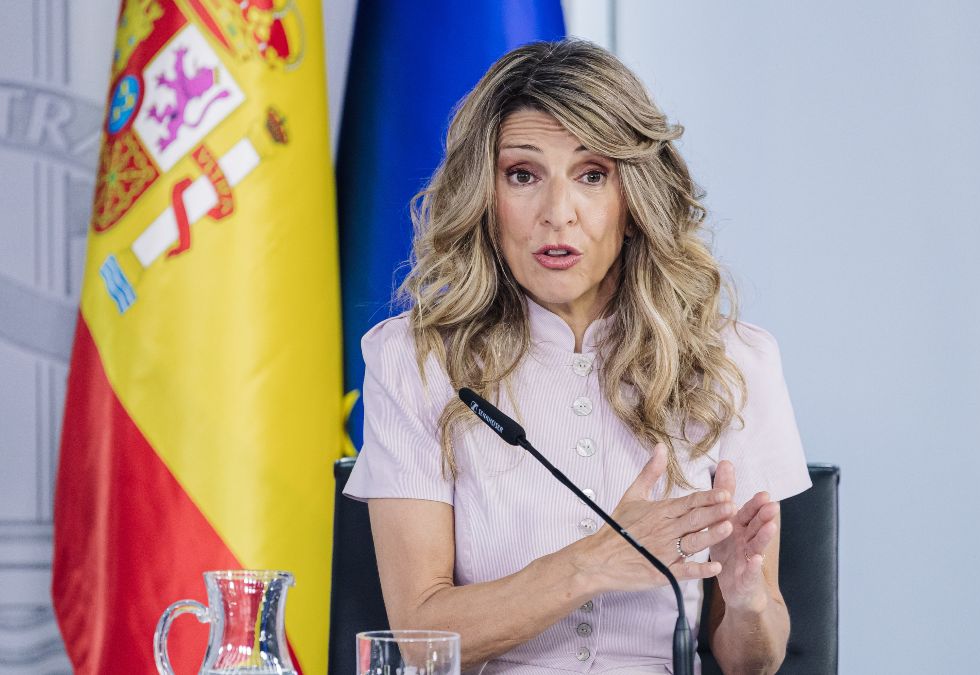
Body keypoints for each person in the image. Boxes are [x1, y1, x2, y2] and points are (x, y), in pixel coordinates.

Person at [343, 39, 810, 674]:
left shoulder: (732, 358)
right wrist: (593, 563)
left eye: (592, 175)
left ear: (634, 199)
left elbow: (751, 661)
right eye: (523, 175)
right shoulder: (416, 358)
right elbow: (421, 635)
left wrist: (749, 604)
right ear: (485, 197)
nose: (557, 214)